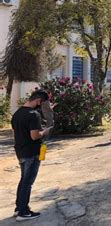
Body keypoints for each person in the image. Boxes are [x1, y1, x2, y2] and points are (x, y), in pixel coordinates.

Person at [11, 90, 52, 221]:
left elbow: (19, 132)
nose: (42, 106)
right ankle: (23, 211)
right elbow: (34, 136)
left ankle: (19, 208)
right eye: (43, 103)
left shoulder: (17, 114)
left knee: (24, 180)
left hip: (21, 151)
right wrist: (44, 132)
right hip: (32, 153)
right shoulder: (33, 115)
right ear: (38, 100)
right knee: (27, 182)